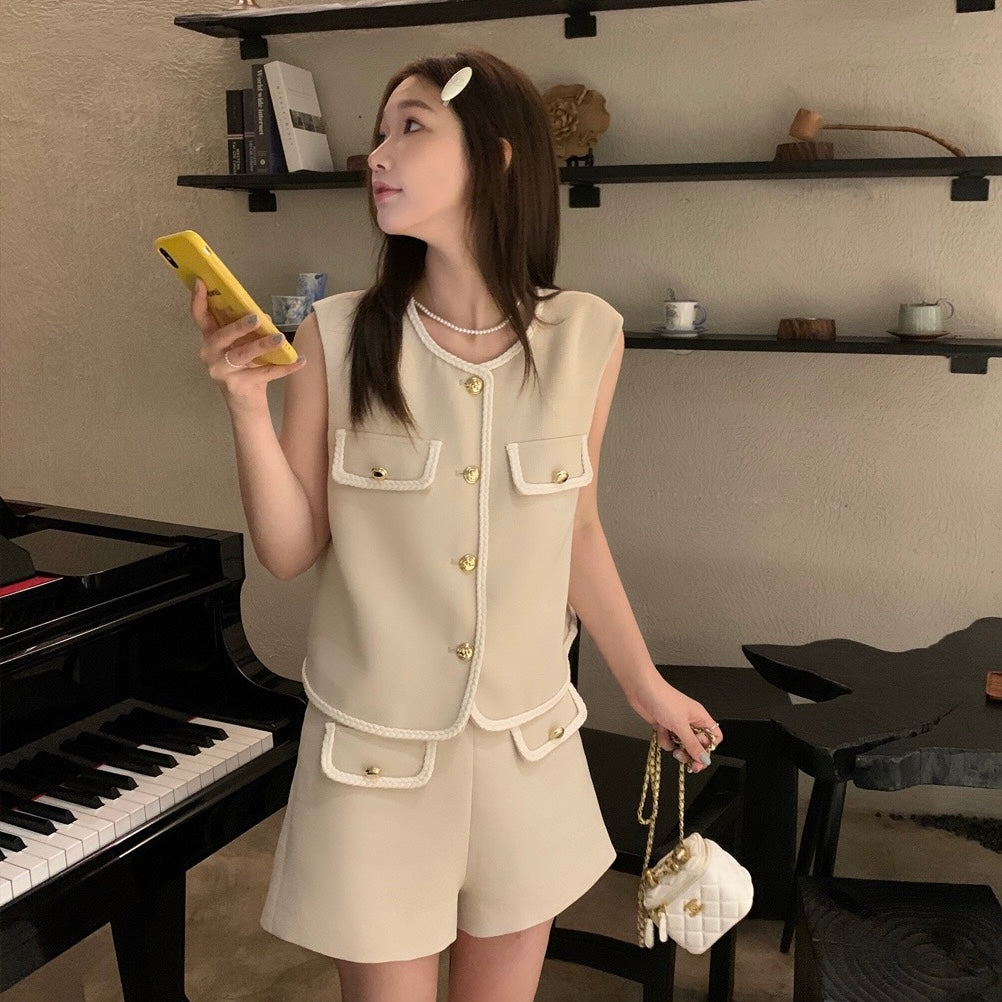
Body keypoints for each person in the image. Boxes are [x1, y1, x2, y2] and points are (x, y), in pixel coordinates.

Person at [189, 46, 722, 1002]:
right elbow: (288, 550)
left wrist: (646, 686)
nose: (377, 155)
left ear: (498, 157)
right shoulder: (337, 335)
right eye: (379, 132)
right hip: (374, 760)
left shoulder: (588, 336)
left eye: (412, 127)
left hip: (528, 751)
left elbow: (576, 530)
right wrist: (243, 407)